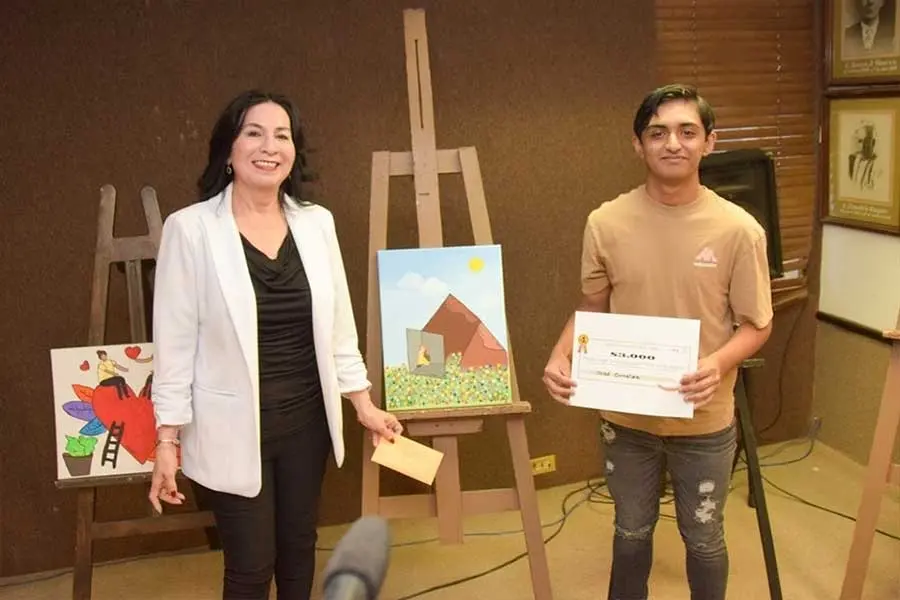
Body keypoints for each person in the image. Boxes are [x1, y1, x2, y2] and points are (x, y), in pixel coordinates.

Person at [147, 89, 403, 600]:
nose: (270, 146)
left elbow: (338, 329)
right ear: (229, 149)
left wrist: (363, 404)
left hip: (306, 422)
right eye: (254, 133)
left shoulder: (317, 222)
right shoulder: (191, 229)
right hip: (229, 427)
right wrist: (167, 441)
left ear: (294, 150)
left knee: (298, 550)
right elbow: (173, 345)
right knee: (249, 566)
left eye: (282, 135)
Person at [542, 84, 773, 600]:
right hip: (626, 420)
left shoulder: (739, 231)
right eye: (658, 132)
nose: (673, 143)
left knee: (705, 538)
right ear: (638, 144)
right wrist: (562, 352)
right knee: (630, 533)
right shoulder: (605, 223)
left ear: (709, 143)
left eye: (688, 132)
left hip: (705, 418)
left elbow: (757, 325)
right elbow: (592, 307)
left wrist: (717, 363)